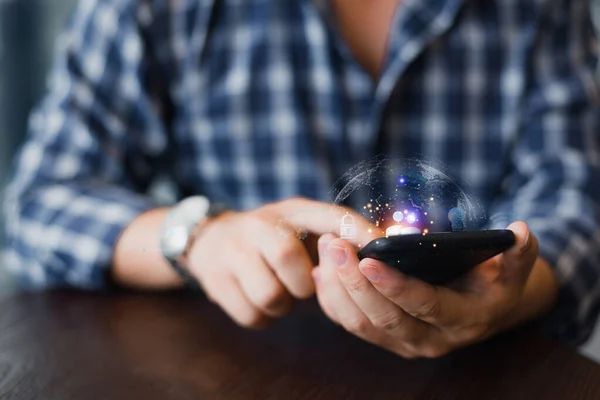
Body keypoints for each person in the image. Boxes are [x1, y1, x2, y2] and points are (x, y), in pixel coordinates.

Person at [2, 0, 600, 358]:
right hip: (240, 365)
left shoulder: (540, 7)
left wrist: (517, 291)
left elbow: (577, 203)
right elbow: (39, 200)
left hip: (483, 372)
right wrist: (198, 237)